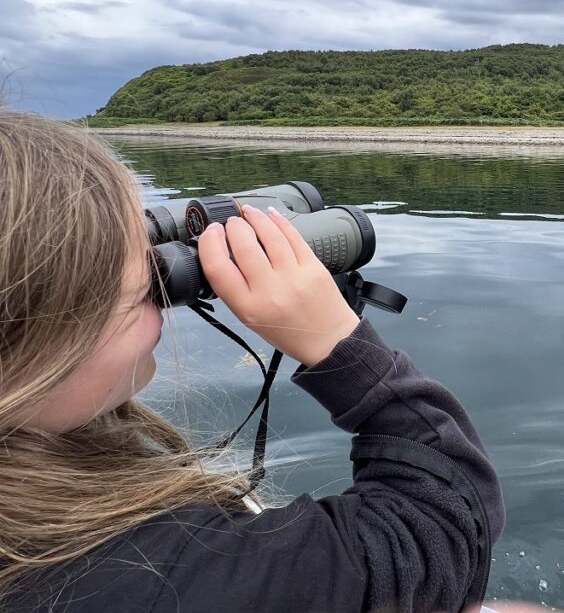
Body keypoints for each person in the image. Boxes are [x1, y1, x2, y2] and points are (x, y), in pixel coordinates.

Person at [0, 110, 505, 613]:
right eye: (144, 293)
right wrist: (339, 342)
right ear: (39, 349)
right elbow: (447, 537)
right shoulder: (159, 576)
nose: (163, 306)